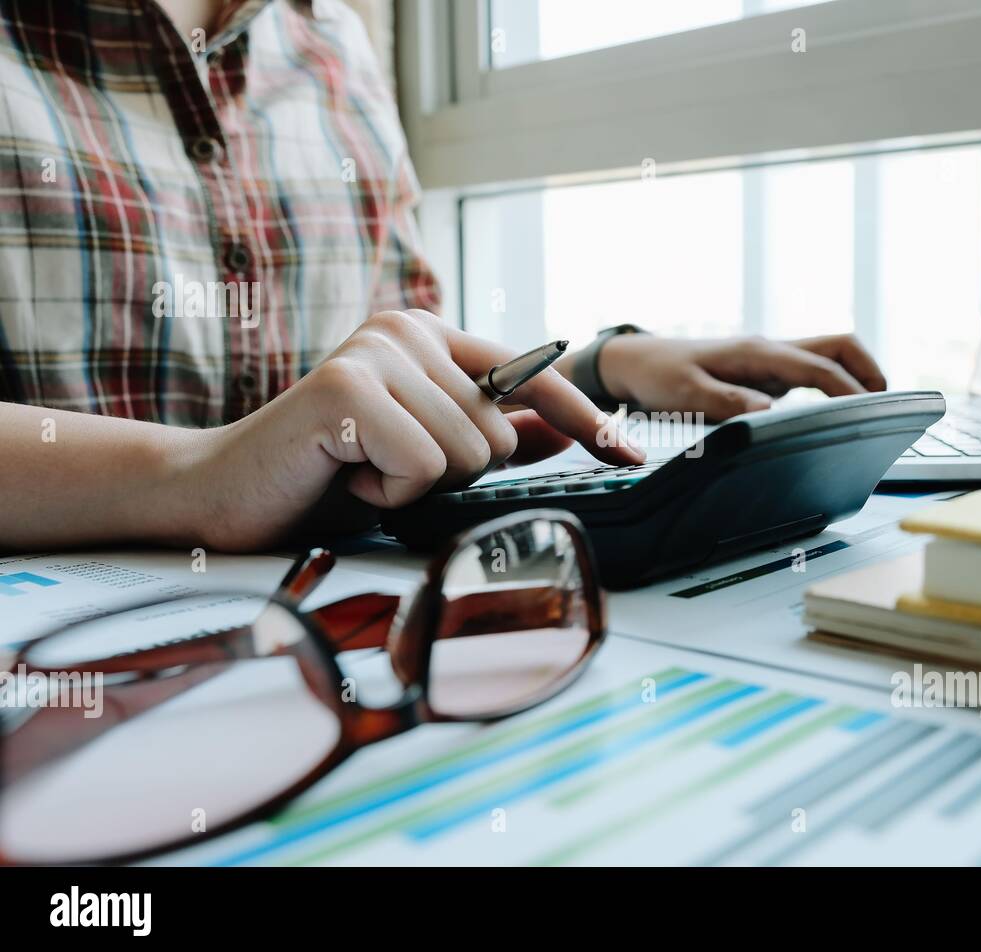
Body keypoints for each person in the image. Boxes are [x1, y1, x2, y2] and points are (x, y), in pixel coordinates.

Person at [0, 0, 886, 553]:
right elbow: (250, 456)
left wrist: (600, 368)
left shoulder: (335, 39)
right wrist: (194, 475)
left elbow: (373, 388)